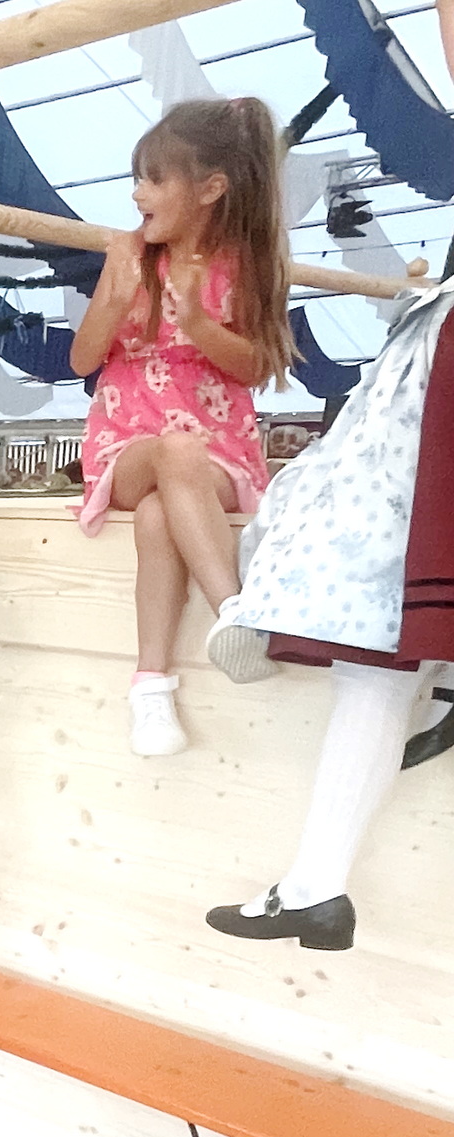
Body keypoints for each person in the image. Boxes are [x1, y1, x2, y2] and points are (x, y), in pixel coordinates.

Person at [196, 271, 454, 949]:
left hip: (436, 355)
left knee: (376, 621)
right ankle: (315, 886)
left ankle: (315, 889)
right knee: (386, 629)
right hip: (435, 344)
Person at [69, 98, 294, 758]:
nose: (137, 193)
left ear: (210, 189)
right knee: (173, 454)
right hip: (128, 441)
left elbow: (256, 365)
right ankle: (237, 611)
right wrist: (113, 299)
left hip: (215, 446)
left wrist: (197, 323)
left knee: (160, 512)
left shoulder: (246, 264)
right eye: (137, 178)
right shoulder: (130, 259)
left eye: (153, 178)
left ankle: (151, 688)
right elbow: (82, 360)